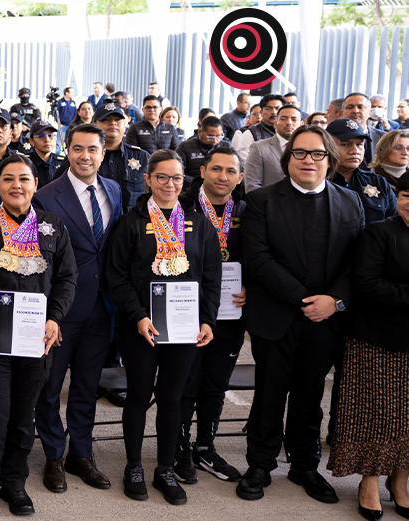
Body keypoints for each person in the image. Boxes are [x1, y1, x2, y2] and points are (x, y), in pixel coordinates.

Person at [236, 125, 365, 503]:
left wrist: (334, 301)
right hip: (276, 314)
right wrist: (306, 299)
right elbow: (257, 259)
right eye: (300, 153)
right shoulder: (261, 200)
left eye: (317, 153)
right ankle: (260, 464)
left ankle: (305, 465)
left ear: (330, 159)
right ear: (287, 158)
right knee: (269, 394)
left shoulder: (350, 202)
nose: (309, 160)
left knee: (311, 396)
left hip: (326, 319)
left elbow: (357, 263)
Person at [0, 154, 77, 516]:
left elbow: (67, 279)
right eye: (8, 179)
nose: (16, 186)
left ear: (35, 185)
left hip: (37, 340)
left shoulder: (53, 226)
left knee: (25, 417)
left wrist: (55, 318)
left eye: (24, 179)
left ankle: (14, 483)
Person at [104, 150, 221, 505]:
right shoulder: (130, 222)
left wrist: (207, 319)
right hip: (142, 326)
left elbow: (212, 277)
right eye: (162, 177)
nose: (170, 185)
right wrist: (138, 315)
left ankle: (165, 468)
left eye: (176, 178)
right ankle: (135, 466)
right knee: (139, 396)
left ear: (185, 181)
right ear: (148, 180)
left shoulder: (198, 223)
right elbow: (116, 277)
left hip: (185, 329)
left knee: (172, 398)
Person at [32, 124, 123, 495]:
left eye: (93, 150)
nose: (85, 156)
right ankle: (54, 455)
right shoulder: (46, 197)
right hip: (61, 309)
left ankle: (81, 455)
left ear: (103, 153)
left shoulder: (114, 189)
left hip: (102, 309)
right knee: (50, 388)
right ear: (67, 151)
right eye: (78, 149)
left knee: (86, 387)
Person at [326, 174, 409, 521]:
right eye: (406, 195)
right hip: (379, 339)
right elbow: (365, 281)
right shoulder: (380, 232)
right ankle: (369, 482)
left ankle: (401, 480)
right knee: (376, 416)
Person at [175, 147, 248, 485]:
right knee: (186, 382)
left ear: (240, 177)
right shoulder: (181, 206)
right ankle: (179, 446)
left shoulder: (247, 212)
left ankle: (205, 445)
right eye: (216, 169)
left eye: (230, 171)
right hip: (188, 310)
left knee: (215, 383)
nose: (223, 177)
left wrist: (253, 287)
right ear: (202, 171)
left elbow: (259, 256)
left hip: (230, 311)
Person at [326, 118, 396, 226]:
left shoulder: (378, 182)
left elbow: (394, 223)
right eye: (345, 144)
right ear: (327, 147)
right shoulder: (318, 182)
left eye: (359, 145)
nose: (355, 151)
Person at [244, 105, 301, 193]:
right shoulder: (259, 148)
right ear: (275, 123)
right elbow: (252, 187)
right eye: (283, 119)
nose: (289, 122)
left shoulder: (309, 149)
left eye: (294, 119)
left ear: (301, 124)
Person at [174, 116, 228, 185]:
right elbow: (178, 172)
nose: (214, 141)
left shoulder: (226, 147)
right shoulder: (185, 147)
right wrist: (199, 183)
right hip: (191, 188)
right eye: (210, 136)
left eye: (218, 136)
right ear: (199, 132)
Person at [233, 94, 284, 164]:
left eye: (277, 108)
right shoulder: (250, 133)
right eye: (268, 109)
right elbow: (244, 163)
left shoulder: (290, 133)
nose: (274, 112)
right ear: (261, 112)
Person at [341, 93, 387, 167]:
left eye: (361, 107)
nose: (355, 111)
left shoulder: (384, 138)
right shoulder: (331, 136)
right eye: (350, 107)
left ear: (370, 112)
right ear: (342, 112)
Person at [26, 120, 64, 187]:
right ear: (32, 141)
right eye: (41, 136)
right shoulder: (25, 162)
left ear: (55, 140)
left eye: (50, 135)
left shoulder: (63, 162)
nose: (47, 140)